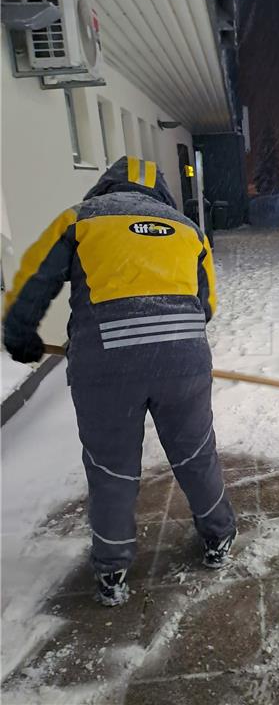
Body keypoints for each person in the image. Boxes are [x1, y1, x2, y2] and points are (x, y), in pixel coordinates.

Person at [2, 156, 237, 606]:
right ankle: (218, 536)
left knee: (112, 469)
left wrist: (21, 333)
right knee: (194, 454)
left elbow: (36, 279)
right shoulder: (189, 230)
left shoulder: (80, 219)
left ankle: (112, 570)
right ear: (161, 193)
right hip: (184, 362)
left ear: (106, 186)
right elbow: (205, 305)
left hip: (105, 368)